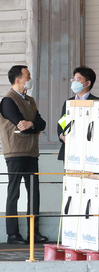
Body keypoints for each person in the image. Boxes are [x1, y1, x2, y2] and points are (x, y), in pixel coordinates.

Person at [0, 65, 47, 244]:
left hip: (31, 152)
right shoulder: (8, 101)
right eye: (27, 76)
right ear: (18, 80)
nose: (29, 78)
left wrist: (32, 124)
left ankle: (33, 232)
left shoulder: (30, 100)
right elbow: (19, 124)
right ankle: (12, 234)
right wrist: (31, 125)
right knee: (14, 192)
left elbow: (41, 123)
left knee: (34, 192)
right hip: (15, 152)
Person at [57, 66, 99, 161]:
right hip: (70, 150)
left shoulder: (97, 102)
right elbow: (62, 122)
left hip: (89, 151)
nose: (74, 82)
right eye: (73, 79)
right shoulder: (68, 102)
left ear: (87, 83)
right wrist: (62, 136)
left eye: (78, 79)